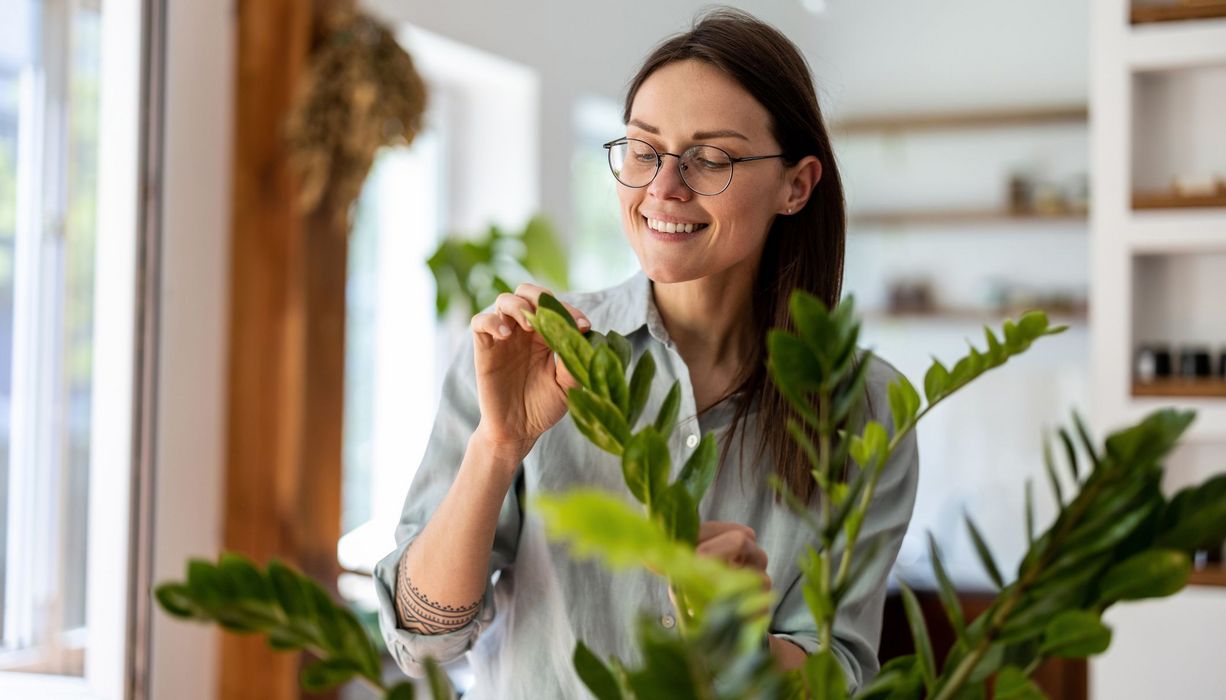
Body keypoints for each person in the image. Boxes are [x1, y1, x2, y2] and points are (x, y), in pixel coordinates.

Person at [373, 8, 918, 698]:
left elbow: (841, 675)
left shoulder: (866, 410)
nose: (663, 187)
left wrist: (744, 641)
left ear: (797, 185)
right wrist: (499, 445)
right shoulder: (532, 354)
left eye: (711, 158)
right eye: (642, 149)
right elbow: (423, 635)